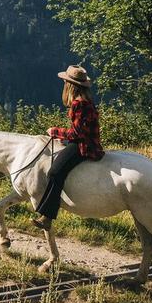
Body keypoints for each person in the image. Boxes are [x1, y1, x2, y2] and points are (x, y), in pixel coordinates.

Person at [34, 64, 103, 229]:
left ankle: (47, 217)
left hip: (84, 146)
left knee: (54, 172)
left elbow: (76, 134)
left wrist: (55, 131)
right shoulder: (86, 101)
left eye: (66, 82)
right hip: (88, 143)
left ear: (70, 85)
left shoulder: (79, 104)